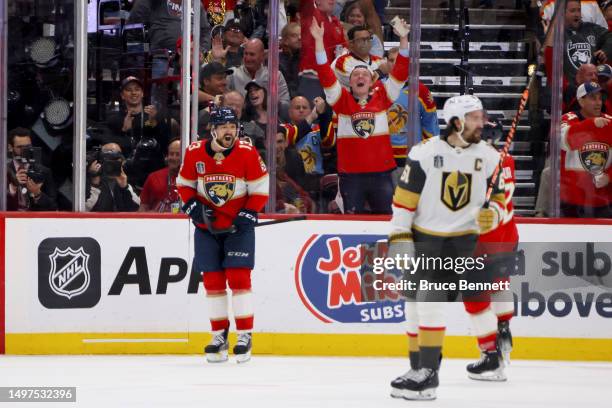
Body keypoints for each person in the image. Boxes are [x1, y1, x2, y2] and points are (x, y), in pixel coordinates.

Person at [387, 95, 506, 400]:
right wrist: (400, 237)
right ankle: (418, 369)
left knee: (430, 301)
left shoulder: (491, 158)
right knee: (413, 304)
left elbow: (503, 202)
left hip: (459, 242)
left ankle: (429, 374)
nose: (483, 122)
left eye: (482, 116)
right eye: (476, 117)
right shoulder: (424, 153)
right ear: (457, 122)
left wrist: (492, 214)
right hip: (423, 237)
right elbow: (403, 202)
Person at [177, 107, 269, 363]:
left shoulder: (247, 152)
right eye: (224, 126)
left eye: (232, 126)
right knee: (213, 283)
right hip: (207, 230)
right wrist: (193, 206)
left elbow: (261, 188)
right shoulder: (195, 152)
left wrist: (249, 212)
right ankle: (219, 335)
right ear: (213, 129)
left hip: (237, 229)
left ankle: (244, 335)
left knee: (239, 278)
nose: (230, 131)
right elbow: (184, 185)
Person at [310, 17, 409, 214]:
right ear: (350, 82)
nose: (360, 76)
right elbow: (324, 72)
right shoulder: (341, 100)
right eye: (355, 75)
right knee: (352, 223)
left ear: (373, 81)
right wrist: (319, 41)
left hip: (382, 174)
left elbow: (401, 71)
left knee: (385, 224)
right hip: (351, 176)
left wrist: (404, 39)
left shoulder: (383, 95)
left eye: (365, 74)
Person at [462, 120, 519, 382]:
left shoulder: (477, 163)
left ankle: (491, 357)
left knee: (475, 298)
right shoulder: (506, 160)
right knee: (500, 283)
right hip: (507, 234)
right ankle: (504, 326)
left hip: (483, 240)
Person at [559, 82, 612, 217]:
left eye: (600, 98)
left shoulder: (609, 122)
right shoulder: (567, 119)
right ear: (581, 101)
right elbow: (565, 142)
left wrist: (609, 176)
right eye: (593, 98)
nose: (598, 102)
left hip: (602, 200)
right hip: (572, 199)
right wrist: (591, 124)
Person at [298, 0, 347, 100]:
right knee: (311, 113)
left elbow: (342, 48)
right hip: (312, 79)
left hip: (331, 79)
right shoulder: (311, 13)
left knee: (328, 115)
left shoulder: (336, 22)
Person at [227, 38, 291, 114]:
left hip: (269, 121)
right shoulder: (232, 74)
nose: (247, 58)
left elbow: (286, 105)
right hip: (240, 121)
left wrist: (272, 102)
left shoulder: (275, 75)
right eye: (246, 54)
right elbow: (221, 99)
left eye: (252, 54)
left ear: (262, 56)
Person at [6, 127, 57, 211]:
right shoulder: (3, 172)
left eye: (28, 146)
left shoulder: (44, 172)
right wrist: (13, 186)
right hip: (9, 220)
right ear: (10, 147)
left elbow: (53, 207)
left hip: (35, 221)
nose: (24, 150)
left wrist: (38, 194)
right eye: (20, 147)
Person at [85, 143, 141, 212]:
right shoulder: (88, 181)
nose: (111, 163)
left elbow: (136, 209)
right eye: (107, 159)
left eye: (115, 159)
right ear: (100, 161)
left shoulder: (126, 180)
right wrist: (95, 184)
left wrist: (124, 188)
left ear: (122, 161)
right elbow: (83, 210)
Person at [139, 138, 182, 212]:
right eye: (171, 154)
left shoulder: (192, 179)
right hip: (156, 222)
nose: (173, 158)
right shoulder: (153, 177)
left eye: (178, 154)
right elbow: (143, 206)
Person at [280, 22, 302, 98]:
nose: (300, 38)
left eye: (301, 34)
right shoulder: (279, 62)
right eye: (294, 35)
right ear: (285, 40)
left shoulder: (305, 57)